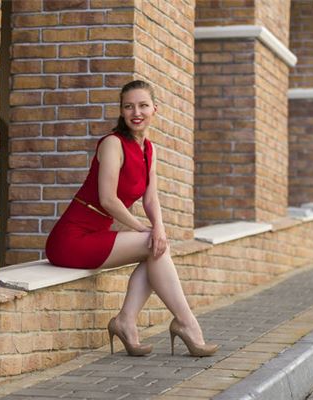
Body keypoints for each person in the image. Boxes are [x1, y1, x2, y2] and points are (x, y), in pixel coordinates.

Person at [45, 80, 218, 357]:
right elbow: (108, 199)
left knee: (156, 245)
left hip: (96, 235)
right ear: (121, 111)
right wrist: (142, 229)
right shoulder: (113, 144)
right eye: (129, 106)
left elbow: (150, 199)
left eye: (143, 105)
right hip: (71, 239)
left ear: (154, 109)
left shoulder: (149, 150)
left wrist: (158, 228)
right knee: (152, 244)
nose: (136, 112)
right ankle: (186, 323)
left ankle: (126, 321)